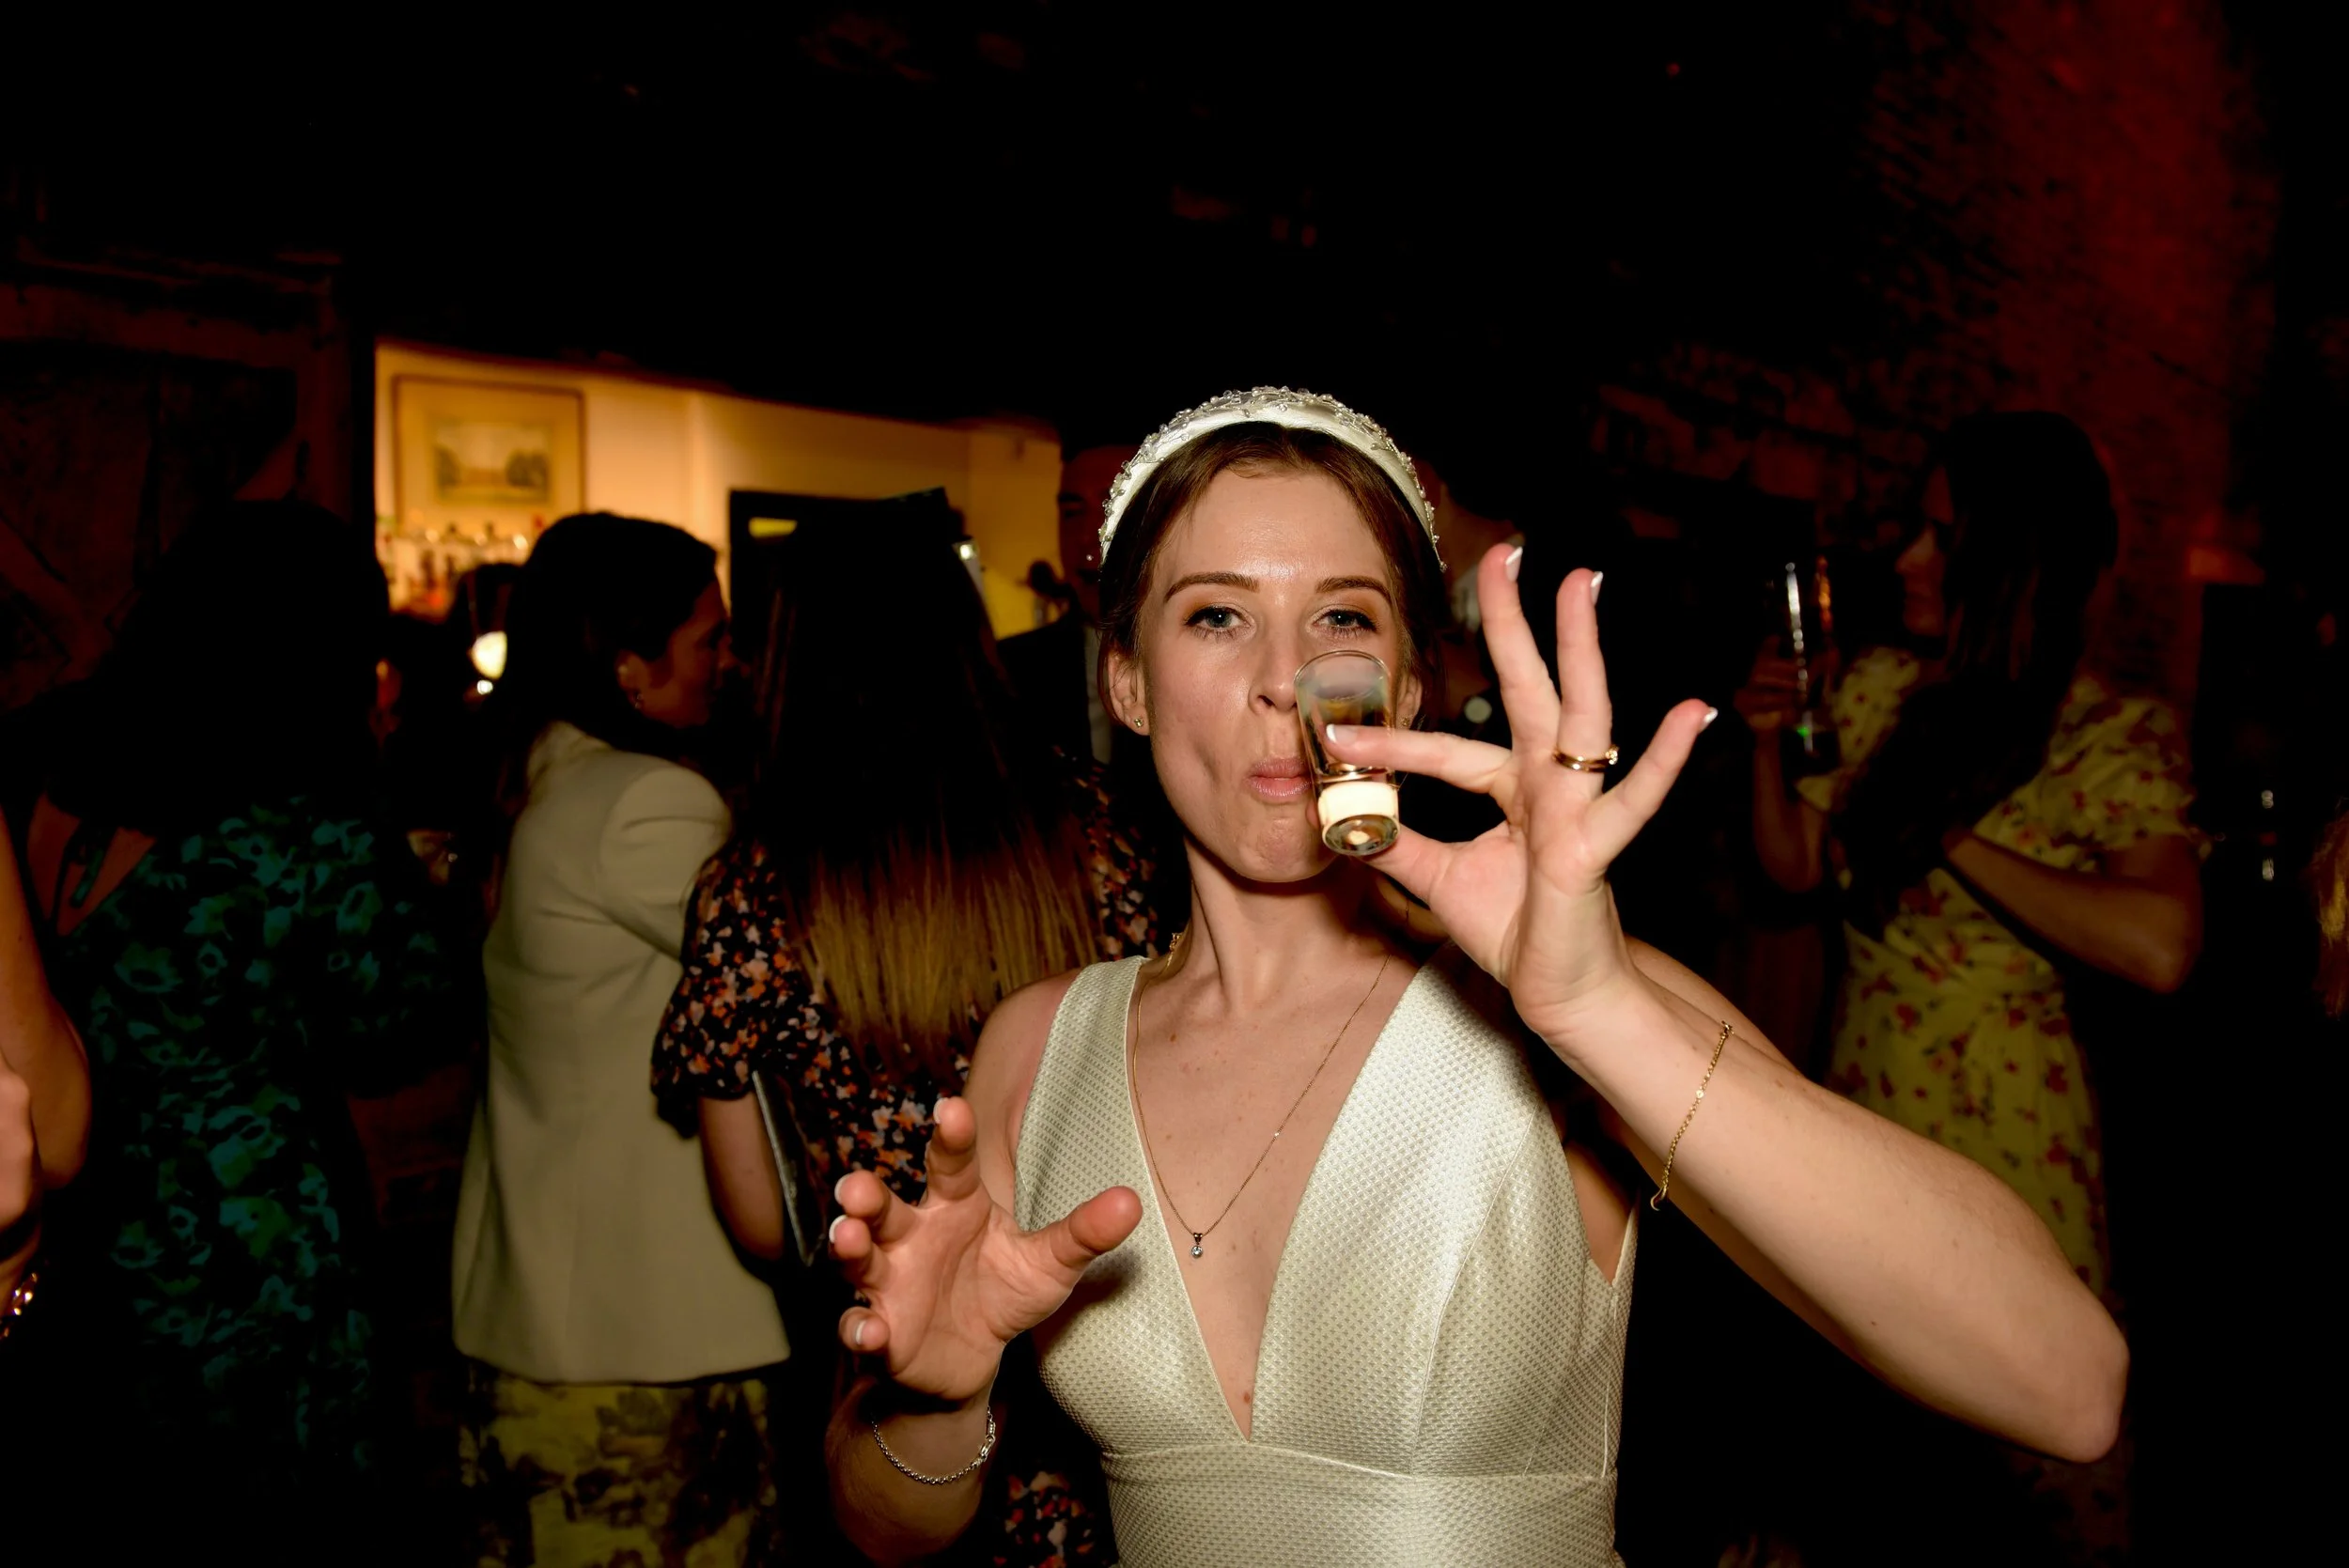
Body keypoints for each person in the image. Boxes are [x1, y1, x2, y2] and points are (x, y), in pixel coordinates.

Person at [814, 389, 2125, 1566]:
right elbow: (883, 1526)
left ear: (1408, 686)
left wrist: (1599, 1008)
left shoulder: (1550, 1005)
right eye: (1216, 615)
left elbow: (2066, 1383)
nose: (1282, 679)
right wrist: (939, 1395)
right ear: (1128, 682)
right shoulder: (1041, 1046)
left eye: (1340, 617)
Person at [654, 517, 1164, 1564]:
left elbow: (762, 1220)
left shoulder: (752, 887)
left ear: (785, 661)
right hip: (1108, 1358)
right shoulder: (1103, 829)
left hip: (898, 1387)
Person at [19, 502, 453, 1550]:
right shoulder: (301, 818)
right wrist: (438, 886)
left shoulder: (50, 771)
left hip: (78, 1241)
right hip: (249, 1251)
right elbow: (399, 1021)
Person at [1737, 412, 2201, 1301]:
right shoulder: (1879, 687)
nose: (1909, 558)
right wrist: (1765, 741)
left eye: (1942, 537)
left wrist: (1942, 832)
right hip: (1863, 1091)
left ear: (2010, 559)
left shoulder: (2096, 733)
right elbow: (1795, 866)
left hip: (2002, 1120)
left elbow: (2162, 946)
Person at [450, 512, 787, 1567]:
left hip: (539, 1322)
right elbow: (791, 984)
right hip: (640, 1337)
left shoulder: (535, 782)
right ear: (629, 665)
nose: (729, 662)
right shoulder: (642, 802)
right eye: (708, 639)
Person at [999, 442, 1142, 765]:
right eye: (1072, 513)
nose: (1087, 537)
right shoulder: (1012, 673)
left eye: (1113, 508)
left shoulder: (1213, 667)